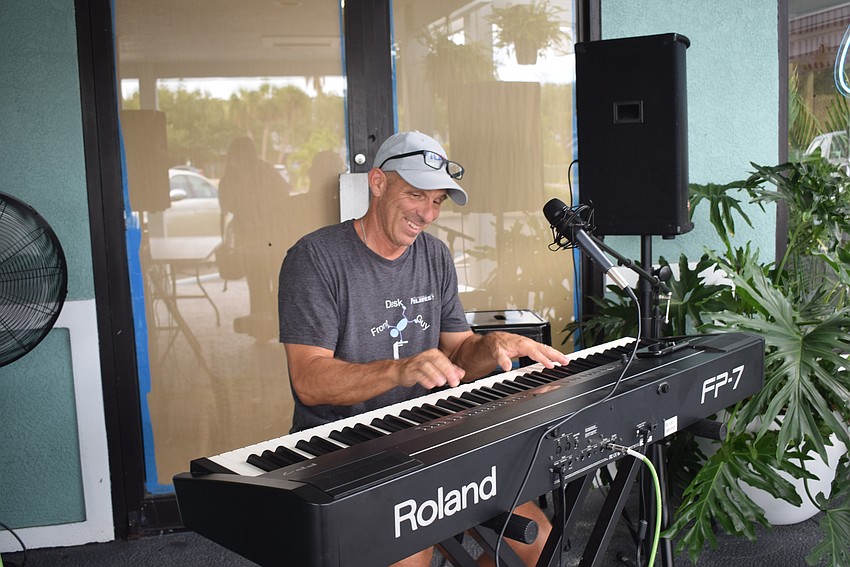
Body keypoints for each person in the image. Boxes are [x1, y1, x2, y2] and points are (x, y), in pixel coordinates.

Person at [278, 131, 570, 566]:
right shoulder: (315, 258)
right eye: (417, 195)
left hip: (429, 437)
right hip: (345, 449)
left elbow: (459, 356)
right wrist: (399, 371)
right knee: (415, 551)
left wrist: (490, 347)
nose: (428, 213)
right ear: (378, 182)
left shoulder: (434, 256)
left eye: (437, 201)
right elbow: (309, 381)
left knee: (538, 544)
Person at [219, 136, 291, 340]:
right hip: (266, 237)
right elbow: (284, 193)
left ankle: (265, 330)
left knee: (260, 284)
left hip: (259, 238)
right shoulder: (265, 171)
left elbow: (226, 206)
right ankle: (272, 330)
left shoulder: (234, 177)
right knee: (271, 282)